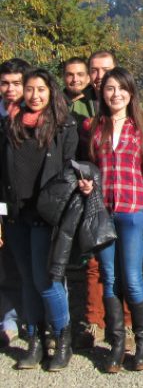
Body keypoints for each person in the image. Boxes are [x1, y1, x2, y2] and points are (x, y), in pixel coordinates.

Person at [78, 67, 143, 372]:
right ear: (102, 92)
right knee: (109, 278)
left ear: (130, 92)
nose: (115, 94)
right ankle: (115, 345)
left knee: (133, 278)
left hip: (133, 210)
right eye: (110, 88)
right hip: (102, 211)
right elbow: (89, 167)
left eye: (121, 88)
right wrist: (86, 183)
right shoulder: (94, 127)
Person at [0, 68, 78, 371]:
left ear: (51, 92)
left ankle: (62, 340)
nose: (34, 96)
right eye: (29, 89)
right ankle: (35, 340)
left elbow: (72, 167)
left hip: (48, 214)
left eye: (41, 90)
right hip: (16, 214)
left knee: (46, 281)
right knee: (27, 282)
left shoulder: (64, 125)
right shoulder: (10, 125)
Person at [75, 50, 132, 350]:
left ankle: (125, 324)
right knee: (95, 262)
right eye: (94, 71)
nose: (98, 77)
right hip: (94, 199)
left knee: (124, 263)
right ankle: (94, 322)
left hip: (125, 200)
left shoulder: (127, 106)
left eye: (105, 71)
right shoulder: (80, 111)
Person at [0, 58, 30, 347]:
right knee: (5, 261)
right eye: (5, 83)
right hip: (2, 202)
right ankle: (8, 320)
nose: (10, 89)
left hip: (30, 204)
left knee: (32, 264)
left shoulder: (36, 115)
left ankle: (33, 319)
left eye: (16, 83)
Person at [62, 57, 97, 122]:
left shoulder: (98, 102)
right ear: (64, 78)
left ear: (88, 78)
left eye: (80, 74)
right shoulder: (55, 104)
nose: (75, 79)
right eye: (70, 75)